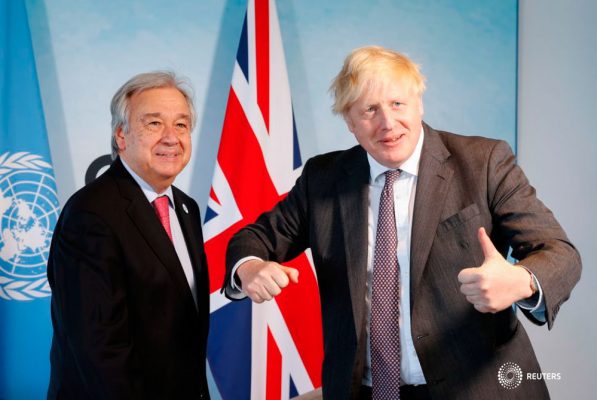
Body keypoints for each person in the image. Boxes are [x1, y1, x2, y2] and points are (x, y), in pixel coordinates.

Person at [224, 46, 581, 399]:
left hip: (479, 387)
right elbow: (254, 239)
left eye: (397, 104)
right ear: (349, 121)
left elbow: (560, 253)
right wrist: (250, 267)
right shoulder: (323, 178)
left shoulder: (484, 162)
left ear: (419, 103)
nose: (387, 123)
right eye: (369, 110)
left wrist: (520, 281)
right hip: (364, 391)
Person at [47, 71, 210, 399]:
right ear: (121, 135)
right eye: (154, 124)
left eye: (181, 125)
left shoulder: (186, 208)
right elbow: (99, 351)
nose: (170, 137)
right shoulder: (91, 214)